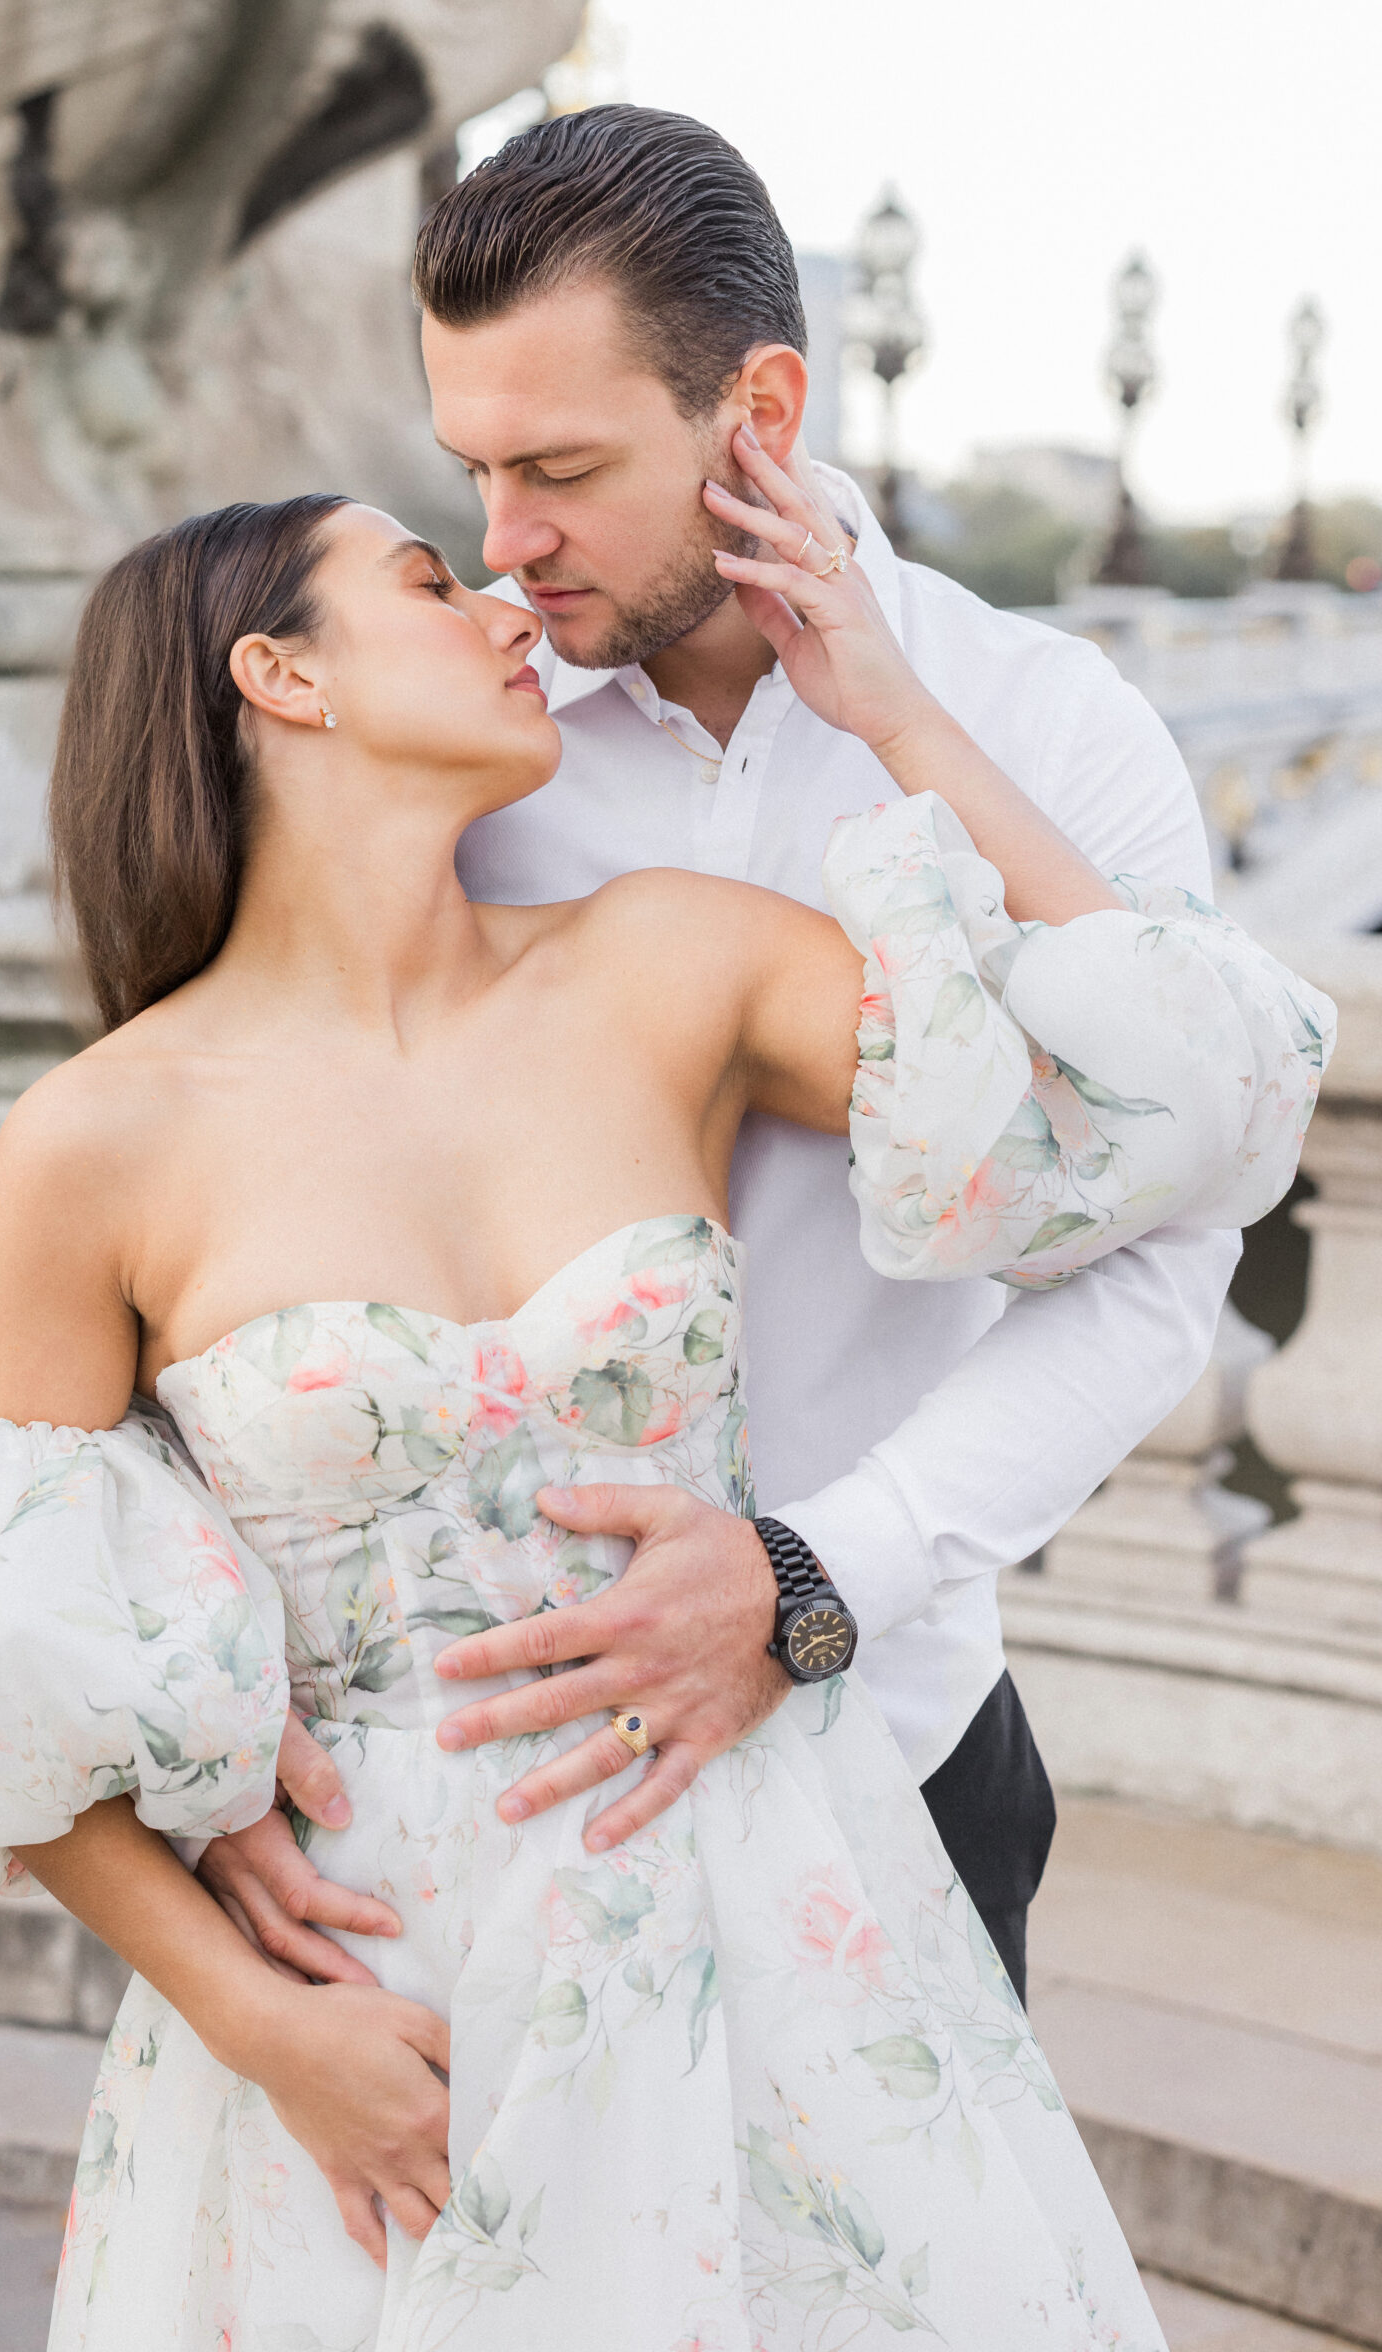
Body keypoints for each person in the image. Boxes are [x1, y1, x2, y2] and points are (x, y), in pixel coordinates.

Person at [0, 465, 1327, 2347]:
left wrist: (890, 711)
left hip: (762, 1895)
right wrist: (258, 2024)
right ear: (281, 677)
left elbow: (1153, 1112)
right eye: (427, 579)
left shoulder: (674, 959)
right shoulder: (97, 1141)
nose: (507, 599)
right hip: (365, 1989)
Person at [191, 107, 1252, 2013]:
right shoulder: (452, 739)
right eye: (473, 472)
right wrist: (199, 1672)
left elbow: (1163, 1255)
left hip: (904, 1736)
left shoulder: (1051, 727)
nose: (505, 545)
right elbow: (224, 1164)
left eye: (565, 469)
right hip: (482, 1787)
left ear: (758, 408)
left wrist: (812, 1573)